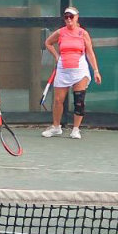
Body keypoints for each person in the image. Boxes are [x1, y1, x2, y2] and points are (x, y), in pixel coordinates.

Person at [41, 7, 101, 139]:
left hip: (80, 70)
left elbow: (90, 52)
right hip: (63, 69)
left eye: (71, 16)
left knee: (79, 100)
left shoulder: (83, 33)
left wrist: (96, 70)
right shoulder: (60, 32)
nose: (68, 19)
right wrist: (57, 56)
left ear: (77, 17)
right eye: (66, 17)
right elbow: (48, 43)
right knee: (58, 100)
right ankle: (56, 127)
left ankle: (75, 129)